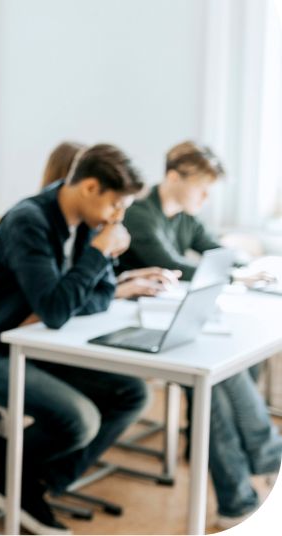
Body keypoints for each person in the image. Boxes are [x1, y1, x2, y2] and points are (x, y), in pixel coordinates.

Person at [0, 144, 150, 535]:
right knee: (80, 419)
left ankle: (26, 480)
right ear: (90, 187)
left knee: (132, 393)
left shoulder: (88, 223)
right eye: (117, 205)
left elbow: (99, 296)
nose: (119, 217)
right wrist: (97, 254)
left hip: (31, 347)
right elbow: (58, 309)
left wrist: (97, 261)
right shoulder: (30, 221)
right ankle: (15, 477)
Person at [121, 140, 282, 528]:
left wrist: (245, 267)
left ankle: (241, 494)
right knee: (217, 378)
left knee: (230, 372)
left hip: (170, 320)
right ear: (174, 177)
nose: (207, 197)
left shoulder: (185, 218)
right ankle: (265, 462)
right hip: (134, 326)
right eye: (202, 187)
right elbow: (174, 264)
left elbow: (214, 252)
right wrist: (232, 273)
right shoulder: (141, 214)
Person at [41, 141, 181, 299]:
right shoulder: (39, 227)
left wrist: (125, 280)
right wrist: (115, 289)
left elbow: (88, 287)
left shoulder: (85, 227)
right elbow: (64, 298)